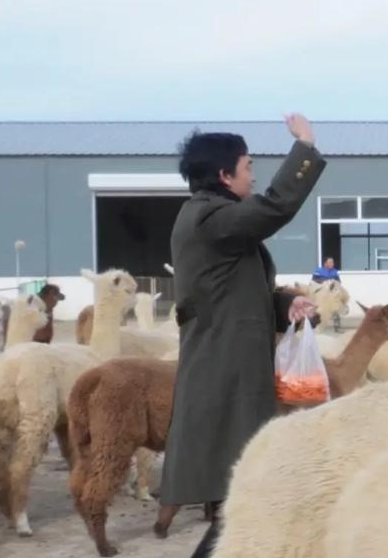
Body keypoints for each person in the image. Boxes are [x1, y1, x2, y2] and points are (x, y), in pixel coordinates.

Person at [160, 113, 326, 526]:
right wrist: (303, 148)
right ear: (224, 174)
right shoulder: (209, 217)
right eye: (248, 166)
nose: (253, 177)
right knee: (234, 481)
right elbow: (275, 207)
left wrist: (284, 303)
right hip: (224, 367)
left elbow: (231, 290)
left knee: (234, 488)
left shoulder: (215, 220)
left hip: (232, 361)